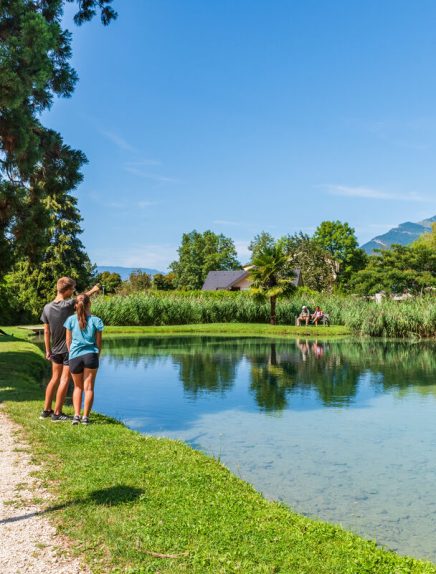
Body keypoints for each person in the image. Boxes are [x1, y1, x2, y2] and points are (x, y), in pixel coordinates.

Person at [40, 278, 100, 421]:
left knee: (54, 379)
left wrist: (48, 350)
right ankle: (57, 413)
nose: (73, 292)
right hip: (68, 349)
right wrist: (94, 290)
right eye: (72, 289)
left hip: (54, 349)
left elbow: (46, 332)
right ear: (66, 290)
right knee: (64, 380)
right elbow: (83, 299)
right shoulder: (67, 305)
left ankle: (46, 410)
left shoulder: (47, 307)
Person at [64, 293, 104, 425]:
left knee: (77, 387)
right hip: (90, 355)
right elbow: (98, 342)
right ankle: (85, 417)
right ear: (89, 304)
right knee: (89, 388)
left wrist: (72, 354)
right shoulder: (96, 320)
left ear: (76, 306)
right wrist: (96, 355)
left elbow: (68, 340)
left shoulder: (70, 320)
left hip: (75, 355)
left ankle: (76, 416)